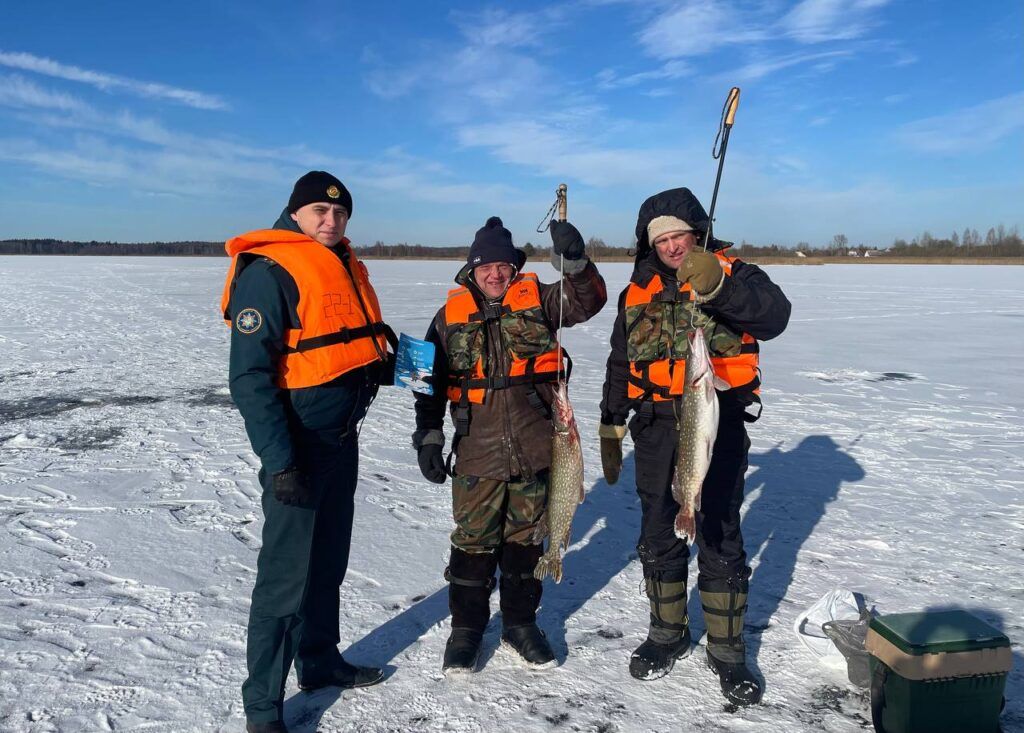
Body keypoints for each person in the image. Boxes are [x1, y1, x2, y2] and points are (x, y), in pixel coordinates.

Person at [598, 187, 790, 705]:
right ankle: (667, 635)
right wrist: (610, 423)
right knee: (658, 527)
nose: (672, 246)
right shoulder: (636, 290)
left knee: (719, 529)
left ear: (697, 233)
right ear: (649, 244)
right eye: (661, 239)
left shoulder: (732, 271)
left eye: (679, 234)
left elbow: (774, 317)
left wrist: (720, 288)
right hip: (656, 426)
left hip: (716, 420)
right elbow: (621, 361)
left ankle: (727, 654)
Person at [221, 171, 395, 733]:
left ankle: (318, 660)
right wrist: (280, 462)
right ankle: (262, 709)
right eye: (319, 210)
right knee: (284, 577)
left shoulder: (343, 265)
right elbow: (250, 378)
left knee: (328, 562)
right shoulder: (269, 273)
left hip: (342, 440)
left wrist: (385, 365)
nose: (331, 221)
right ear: (295, 213)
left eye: (340, 214)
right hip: (297, 446)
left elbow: (337, 345)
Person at [412, 216, 607, 673]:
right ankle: (466, 629)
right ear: (472, 270)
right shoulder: (446, 317)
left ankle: (520, 623)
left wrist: (576, 262)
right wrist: (428, 435)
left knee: (525, 544)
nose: (495, 274)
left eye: (503, 266)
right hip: (477, 453)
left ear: (514, 267)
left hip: (538, 450)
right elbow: (424, 381)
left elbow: (588, 300)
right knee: (472, 545)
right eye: (486, 267)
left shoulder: (540, 301)